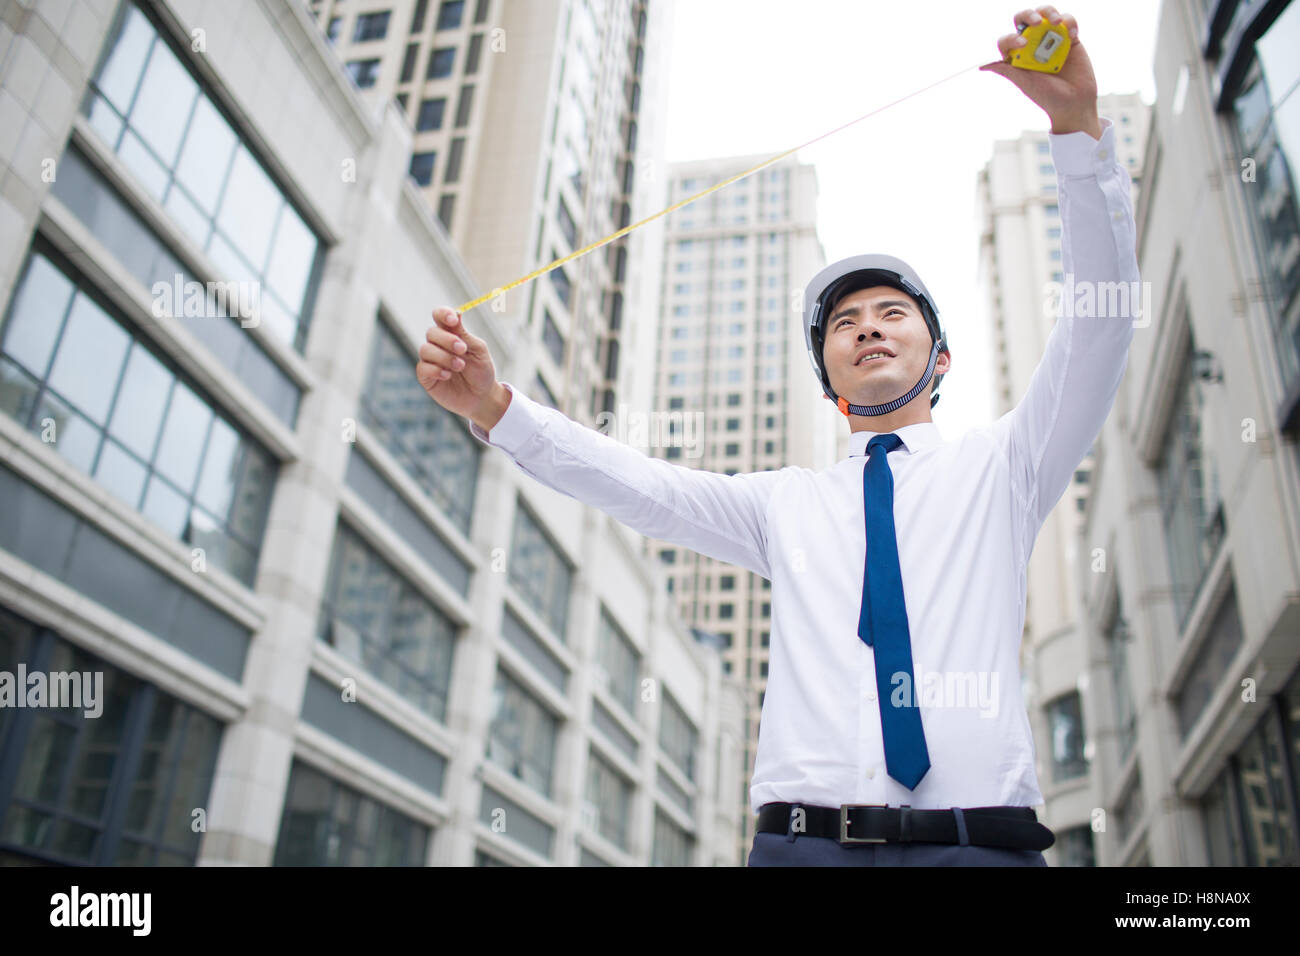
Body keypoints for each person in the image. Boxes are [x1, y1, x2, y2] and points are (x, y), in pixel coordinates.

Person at [416, 5, 1137, 866]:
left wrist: (1076, 130)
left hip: (979, 846)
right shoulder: (783, 505)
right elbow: (645, 489)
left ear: (940, 359)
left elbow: (1099, 328)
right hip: (802, 851)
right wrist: (498, 408)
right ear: (831, 385)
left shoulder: (1009, 466)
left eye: (893, 314)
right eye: (846, 324)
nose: (869, 328)